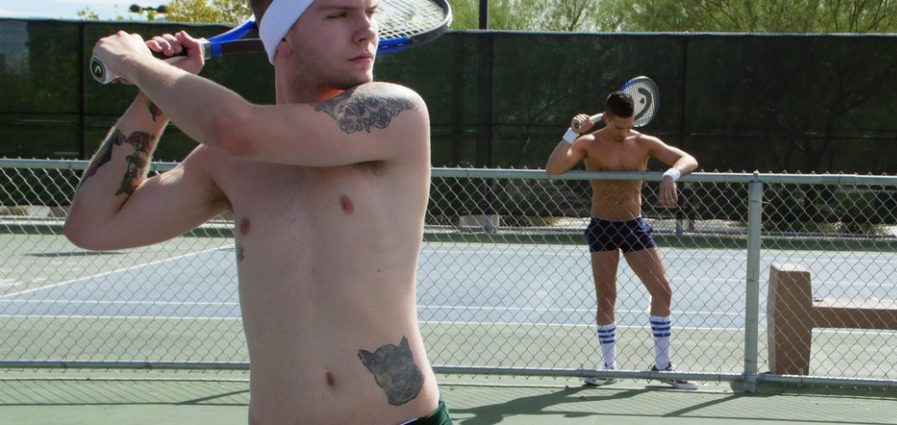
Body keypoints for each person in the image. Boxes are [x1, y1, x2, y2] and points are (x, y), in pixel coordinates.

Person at [63, 0, 449, 423]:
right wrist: (152, 95)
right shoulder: (227, 163)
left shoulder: (394, 112)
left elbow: (235, 129)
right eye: (339, 14)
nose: (367, 30)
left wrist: (135, 63)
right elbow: (92, 226)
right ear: (283, 39)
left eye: (370, 12)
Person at [545, 92, 700, 390]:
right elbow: (553, 168)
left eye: (629, 126)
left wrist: (671, 174)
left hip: (634, 226)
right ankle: (608, 367)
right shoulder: (588, 143)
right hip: (602, 226)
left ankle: (663, 366)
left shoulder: (643, 142)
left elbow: (688, 159)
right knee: (606, 296)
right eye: (619, 127)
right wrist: (571, 133)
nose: (624, 132)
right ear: (606, 118)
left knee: (663, 290)